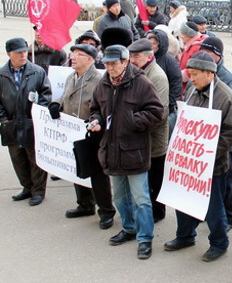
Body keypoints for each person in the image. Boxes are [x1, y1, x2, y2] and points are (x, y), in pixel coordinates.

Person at [88, 45, 164, 260]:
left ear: (125, 62)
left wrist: (131, 120)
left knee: (141, 198)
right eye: (107, 64)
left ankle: (145, 238)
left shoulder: (141, 83)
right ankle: (129, 228)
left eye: (114, 63)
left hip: (135, 151)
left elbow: (157, 112)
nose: (110, 68)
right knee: (120, 197)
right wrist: (96, 120)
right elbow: (95, 108)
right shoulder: (103, 84)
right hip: (112, 151)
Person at [164, 52, 232, 262]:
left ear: (209, 74)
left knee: (212, 207)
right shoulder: (192, 90)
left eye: (195, 74)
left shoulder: (226, 97)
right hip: (188, 162)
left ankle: (219, 243)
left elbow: (230, 134)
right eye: (190, 73)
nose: (191, 78)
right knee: (183, 200)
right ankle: (185, 236)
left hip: (212, 164)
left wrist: (207, 157)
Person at [48, 44, 116, 229]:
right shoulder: (72, 76)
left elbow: (105, 107)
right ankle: (85, 204)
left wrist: (98, 123)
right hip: (73, 131)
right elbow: (64, 97)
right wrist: (56, 104)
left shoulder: (99, 80)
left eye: (78, 55)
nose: (73, 57)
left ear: (90, 59)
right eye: (72, 54)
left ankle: (106, 211)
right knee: (77, 168)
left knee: (97, 173)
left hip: (94, 133)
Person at [0, 38, 52, 206]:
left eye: (25, 51)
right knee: (18, 158)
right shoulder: (2, 75)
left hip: (31, 122)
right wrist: (4, 119)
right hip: (11, 123)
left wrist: (38, 114)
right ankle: (26, 187)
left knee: (35, 159)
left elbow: (46, 95)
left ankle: (38, 191)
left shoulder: (37, 72)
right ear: (9, 54)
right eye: (19, 52)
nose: (23, 55)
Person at [199, 37, 232, 232]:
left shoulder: (227, 78)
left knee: (226, 181)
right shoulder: (200, 76)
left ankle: (229, 217)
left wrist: (227, 142)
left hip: (223, 141)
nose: (204, 57)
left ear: (217, 55)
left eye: (208, 54)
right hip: (204, 140)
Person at [128, 39, 170, 224]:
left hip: (153, 137)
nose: (132, 60)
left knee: (155, 177)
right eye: (130, 56)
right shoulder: (135, 72)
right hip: (138, 134)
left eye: (136, 56)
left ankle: (157, 211)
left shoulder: (157, 76)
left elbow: (160, 112)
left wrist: (133, 123)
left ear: (149, 56)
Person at [145, 29, 182, 138]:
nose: (152, 46)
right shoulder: (146, 58)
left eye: (154, 43)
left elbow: (176, 81)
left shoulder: (169, 60)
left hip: (165, 105)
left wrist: (171, 102)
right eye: (149, 43)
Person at [178, 22, 208, 95]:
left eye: (183, 33)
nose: (181, 36)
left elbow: (195, 69)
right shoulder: (189, 45)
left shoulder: (196, 48)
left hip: (190, 86)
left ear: (189, 35)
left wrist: (179, 75)